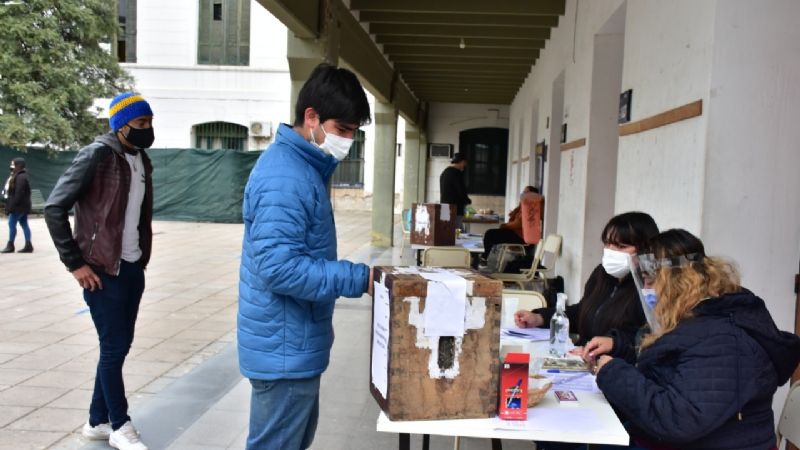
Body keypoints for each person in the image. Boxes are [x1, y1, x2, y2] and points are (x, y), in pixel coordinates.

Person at [238, 63, 374, 450]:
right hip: (283, 350)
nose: (347, 140)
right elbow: (279, 269)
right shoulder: (286, 176)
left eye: (353, 132)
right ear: (311, 117)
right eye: (342, 129)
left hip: (292, 341)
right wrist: (359, 279)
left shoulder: (302, 167)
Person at [586, 229, 800, 450]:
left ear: (677, 282)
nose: (646, 290)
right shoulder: (700, 317)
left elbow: (681, 419)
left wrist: (614, 373)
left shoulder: (724, 339)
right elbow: (675, 362)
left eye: (650, 281)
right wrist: (621, 348)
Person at [45, 92, 154, 450]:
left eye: (150, 122)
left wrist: (139, 261)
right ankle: (120, 424)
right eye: (140, 123)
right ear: (121, 125)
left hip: (132, 267)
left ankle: (96, 421)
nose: (147, 129)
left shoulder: (141, 159)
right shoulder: (96, 155)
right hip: (101, 270)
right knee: (113, 347)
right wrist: (75, 263)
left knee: (118, 348)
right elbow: (54, 208)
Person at [514, 212, 658, 346]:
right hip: (581, 358)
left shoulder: (649, 288)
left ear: (645, 249)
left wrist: (612, 344)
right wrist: (539, 318)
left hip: (612, 366)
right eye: (607, 244)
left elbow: (642, 337)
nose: (611, 250)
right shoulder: (602, 274)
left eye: (621, 246)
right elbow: (583, 312)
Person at [481, 185, 541, 261]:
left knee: (490, 234)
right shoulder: (523, 206)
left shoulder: (530, 208)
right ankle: (485, 257)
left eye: (526, 192)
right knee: (491, 234)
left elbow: (518, 223)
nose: (523, 194)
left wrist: (505, 226)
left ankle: (484, 258)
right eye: (523, 192)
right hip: (516, 234)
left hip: (521, 237)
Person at [1, 157, 33, 253]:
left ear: (18, 165)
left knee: (11, 223)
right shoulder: (20, 176)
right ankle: (28, 245)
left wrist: (11, 206)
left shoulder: (20, 177)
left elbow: (18, 194)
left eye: (13, 164)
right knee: (24, 224)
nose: (11, 166)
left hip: (18, 207)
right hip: (23, 206)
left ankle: (10, 245)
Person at [439, 153, 471, 230]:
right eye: (465, 163)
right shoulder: (457, 173)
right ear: (462, 162)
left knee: (446, 230)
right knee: (456, 232)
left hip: (444, 207)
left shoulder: (444, 173)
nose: (465, 165)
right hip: (455, 208)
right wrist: (467, 200)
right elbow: (461, 190)